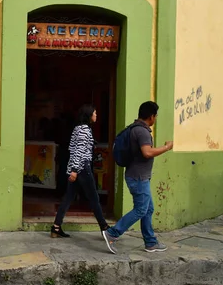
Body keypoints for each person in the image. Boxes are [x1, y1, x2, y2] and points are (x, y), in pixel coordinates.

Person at [102, 101, 173, 254]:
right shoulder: (142, 132)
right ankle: (112, 233)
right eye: (156, 116)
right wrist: (167, 147)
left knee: (148, 209)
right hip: (138, 178)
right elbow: (147, 152)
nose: (156, 119)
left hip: (138, 176)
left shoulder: (136, 128)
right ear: (151, 116)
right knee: (141, 209)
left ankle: (151, 242)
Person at [51, 105, 110, 238]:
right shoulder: (84, 130)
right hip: (82, 168)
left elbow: (73, 149)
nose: (96, 116)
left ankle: (56, 227)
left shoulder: (77, 128)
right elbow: (79, 151)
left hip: (76, 167)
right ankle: (105, 228)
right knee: (94, 198)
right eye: (95, 113)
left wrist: (72, 168)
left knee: (68, 197)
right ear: (89, 115)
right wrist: (75, 170)